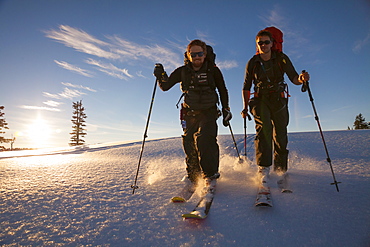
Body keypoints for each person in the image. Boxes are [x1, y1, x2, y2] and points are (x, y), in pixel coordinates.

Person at [154, 39, 231, 189]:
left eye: (200, 54)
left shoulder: (213, 70)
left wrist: (226, 109)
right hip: (190, 113)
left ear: (205, 54)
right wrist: (160, 75)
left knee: (204, 139)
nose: (197, 57)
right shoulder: (183, 71)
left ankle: (210, 174)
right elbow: (165, 86)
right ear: (188, 55)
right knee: (188, 141)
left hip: (209, 112)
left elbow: (222, 90)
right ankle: (193, 174)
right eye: (193, 54)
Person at [241, 29, 310, 183]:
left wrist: (301, 79)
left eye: (266, 42)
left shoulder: (281, 59)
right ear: (257, 45)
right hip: (260, 100)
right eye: (260, 43)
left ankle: (280, 168)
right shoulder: (253, 62)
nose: (263, 45)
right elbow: (246, 86)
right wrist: (245, 107)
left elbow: (293, 77)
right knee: (264, 129)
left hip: (278, 100)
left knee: (280, 133)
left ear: (272, 43)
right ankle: (263, 167)